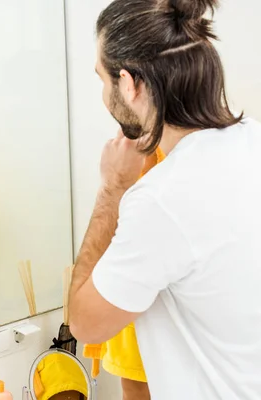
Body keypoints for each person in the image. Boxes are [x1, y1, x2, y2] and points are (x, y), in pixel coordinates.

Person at [68, 0, 261, 398]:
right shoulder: (253, 141)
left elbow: (84, 323)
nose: (104, 93)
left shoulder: (162, 198)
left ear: (129, 83)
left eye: (102, 79)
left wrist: (112, 190)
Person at [81, 146, 165, 400]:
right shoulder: (129, 155)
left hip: (158, 298)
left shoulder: (173, 159)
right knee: (133, 384)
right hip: (126, 297)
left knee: (149, 383)